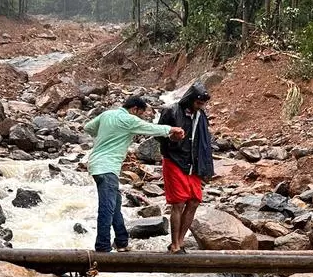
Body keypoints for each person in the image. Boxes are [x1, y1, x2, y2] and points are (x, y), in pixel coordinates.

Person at [84, 96, 184, 253]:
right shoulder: (129, 119)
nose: (139, 117)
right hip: (108, 166)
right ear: (134, 109)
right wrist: (172, 129)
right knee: (107, 208)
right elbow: (150, 128)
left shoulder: (107, 115)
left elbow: (88, 128)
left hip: (97, 164)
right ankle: (102, 248)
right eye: (140, 114)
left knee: (115, 205)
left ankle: (122, 241)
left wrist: (105, 136)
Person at [158, 83, 215, 253]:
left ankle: (181, 241)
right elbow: (158, 134)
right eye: (198, 103)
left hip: (193, 163)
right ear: (190, 99)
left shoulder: (200, 115)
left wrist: (206, 168)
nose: (201, 106)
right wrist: (171, 140)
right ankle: (175, 244)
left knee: (195, 201)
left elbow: (204, 142)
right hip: (174, 160)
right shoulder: (172, 111)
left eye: (202, 104)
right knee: (178, 203)